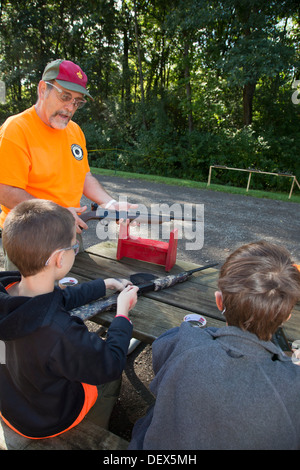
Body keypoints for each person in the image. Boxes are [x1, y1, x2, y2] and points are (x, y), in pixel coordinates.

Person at [128, 241, 300, 450]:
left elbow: (162, 356)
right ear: (287, 315)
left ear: (219, 302)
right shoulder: (293, 382)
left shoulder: (184, 341)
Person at [0, 199, 139, 439]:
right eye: (74, 247)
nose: (75, 249)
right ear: (59, 259)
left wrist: (102, 285)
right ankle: (95, 432)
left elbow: (56, 299)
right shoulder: (60, 331)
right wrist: (122, 316)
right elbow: (111, 364)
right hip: (46, 420)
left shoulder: (10, 291)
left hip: (10, 405)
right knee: (109, 380)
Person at [0, 58, 136, 269]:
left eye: (77, 102)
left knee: (78, 294)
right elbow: (5, 190)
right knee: (32, 302)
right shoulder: (16, 129)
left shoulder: (74, 131)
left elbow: (83, 176)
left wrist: (109, 204)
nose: (70, 107)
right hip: (29, 239)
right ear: (43, 88)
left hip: (70, 235)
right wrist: (57, 213)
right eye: (65, 97)